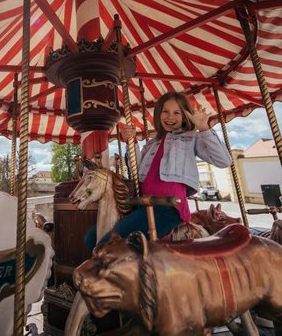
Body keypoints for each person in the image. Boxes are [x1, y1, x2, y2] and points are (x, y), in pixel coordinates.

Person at [84, 91, 232, 251]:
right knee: (91, 237)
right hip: (143, 204)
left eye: (177, 113)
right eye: (165, 111)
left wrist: (204, 128)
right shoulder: (152, 144)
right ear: (158, 115)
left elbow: (223, 160)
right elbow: (137, 169)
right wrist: (131, 141)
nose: (170, 117)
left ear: (185, 116)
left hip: (168, 207)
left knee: (107, 245)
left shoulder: (191, 138)